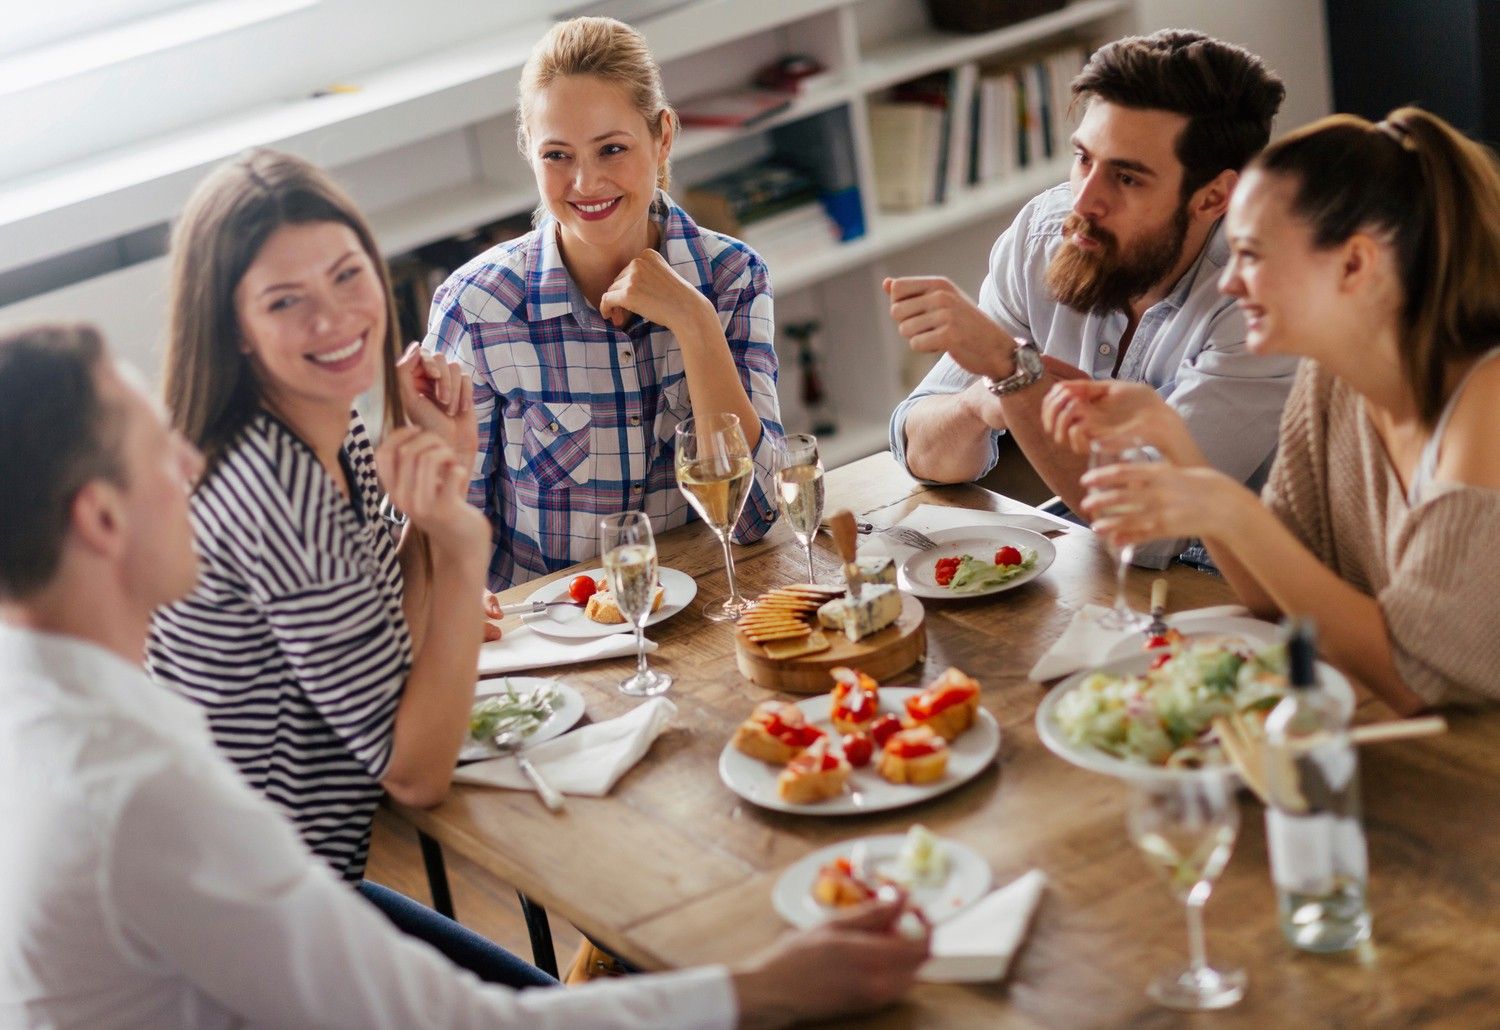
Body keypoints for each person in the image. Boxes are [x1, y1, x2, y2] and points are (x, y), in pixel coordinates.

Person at [0, 322, 931, 1027]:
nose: (189, 461)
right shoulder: (137, 794)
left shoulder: (49, 703)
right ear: (101, 522)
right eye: (155, 446)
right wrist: (764, 989)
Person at [143, 149, 529, 975]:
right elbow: (414, 772)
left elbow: (389, 638)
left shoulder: (325, 424)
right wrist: (463, 548)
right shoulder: (268, 487)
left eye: (347, 275)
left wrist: (438, 483)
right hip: (242, 943)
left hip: (297, 892)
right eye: (286, 302)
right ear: (233, 330)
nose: (336, 319)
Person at [1044, 107, 1500, 712]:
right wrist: (1175, 444)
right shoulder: (1329, 382)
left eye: (1252, 255)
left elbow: (1416, 677)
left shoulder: (1485, 403)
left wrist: (1227, 506)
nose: (1229, 283)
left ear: (1354, 263)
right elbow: (1275, 604)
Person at [887, 30, 1295, 567]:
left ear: (1215, 196)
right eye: (1083, 158)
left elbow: (1145, 531)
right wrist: (979, 402)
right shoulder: (1044, 235)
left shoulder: (1263, 301)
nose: (1083, 200)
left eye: (1126, 177)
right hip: (1094, 563)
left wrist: (1012, 373)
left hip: (1244, 592)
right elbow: (923, 453)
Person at [424, 16, 784, 591]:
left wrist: (695, 322)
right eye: (557, 156)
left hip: (706, 611)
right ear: (529, 154)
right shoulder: (478, 308)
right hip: (551, 635)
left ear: (662, 136)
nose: (586, 182)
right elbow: (444, 531)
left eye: (611, 149)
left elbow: (756, 514)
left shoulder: (732, 277)